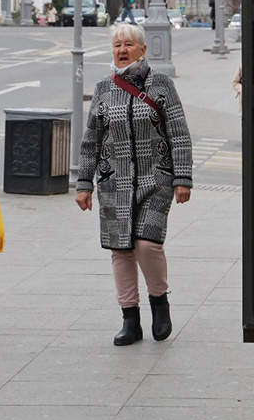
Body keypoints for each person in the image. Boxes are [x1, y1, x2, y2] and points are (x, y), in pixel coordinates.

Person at [76, 22, 193, 346]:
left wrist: (182, 177)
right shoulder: (103, 88)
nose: (122, 50)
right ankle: (130, 319)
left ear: (143, 49)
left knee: (146, 244)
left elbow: (179, 134)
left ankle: (160, 302)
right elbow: (90, 141)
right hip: (115, 183)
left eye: (129, 44)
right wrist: (84, 183)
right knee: (121, 251)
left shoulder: (161, 84)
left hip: (156, 180)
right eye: (117, 45)